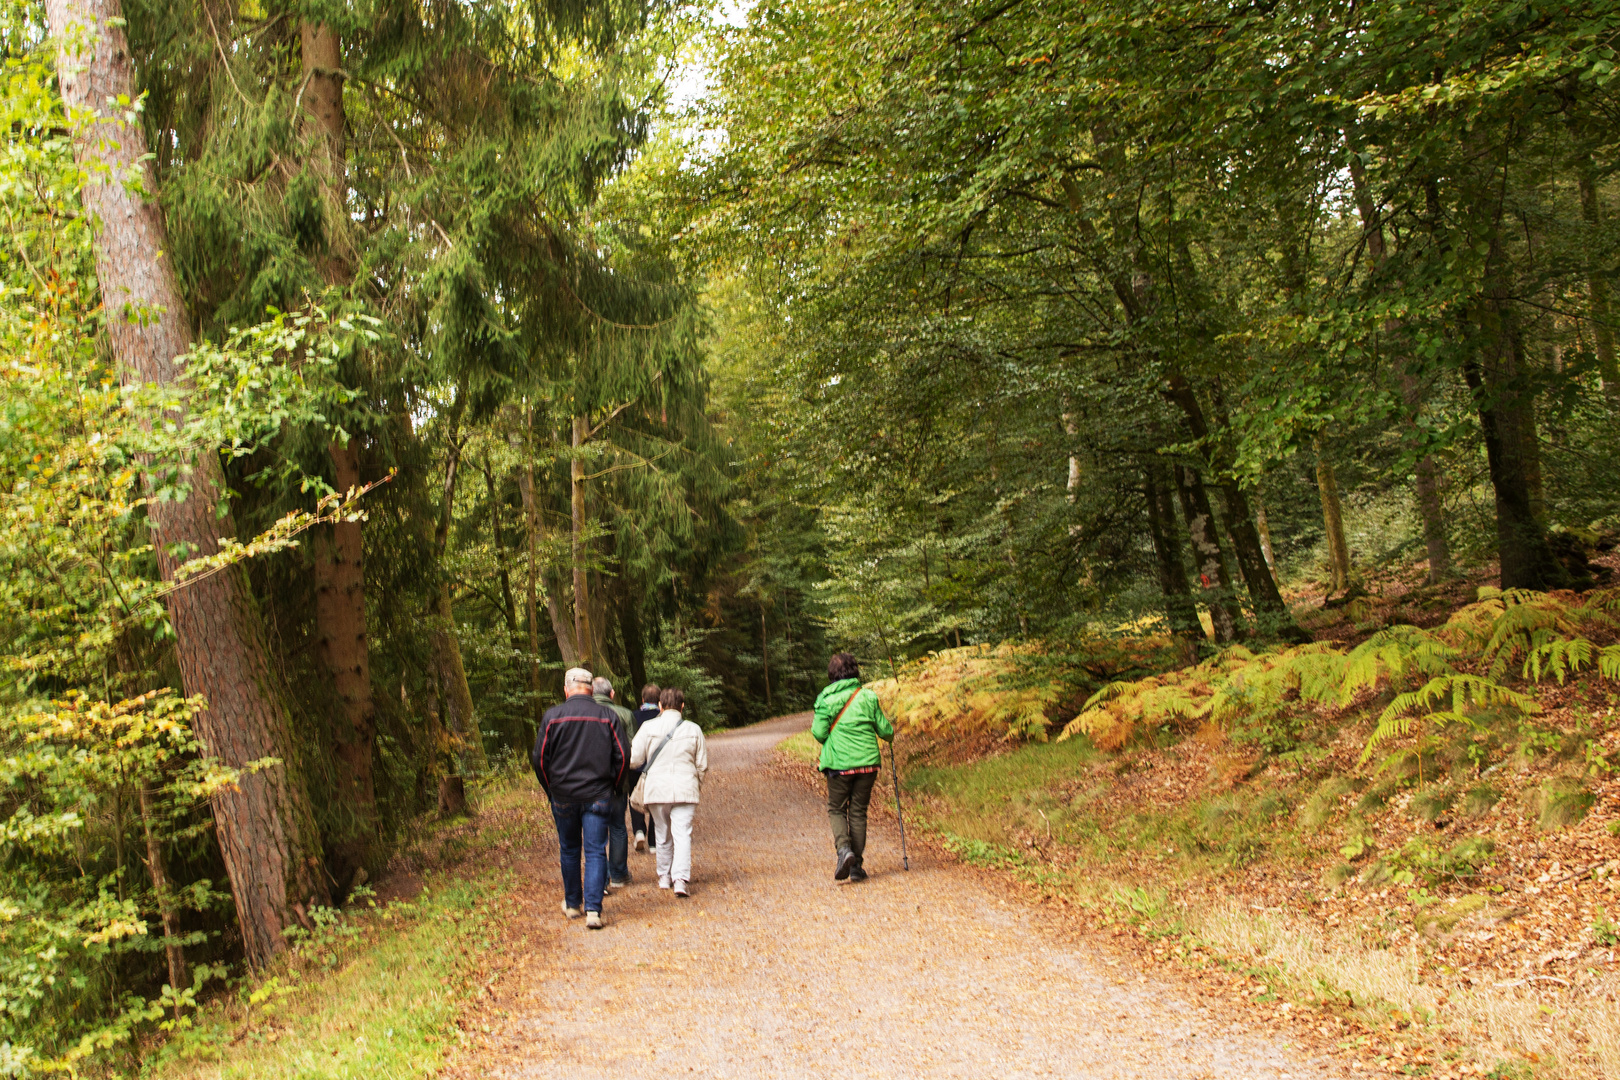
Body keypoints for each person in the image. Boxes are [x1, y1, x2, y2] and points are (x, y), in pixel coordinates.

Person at [532, 667, 627, 929]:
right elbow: (622, 756)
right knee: (596, 849)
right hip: (598, 794)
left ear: (566, 689)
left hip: (563, 794)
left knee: (570, 848)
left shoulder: (553, 717)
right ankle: (594, 910)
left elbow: (539, 759)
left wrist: (551, 788)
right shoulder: (607, 715)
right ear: (590, 688)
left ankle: (573, 904)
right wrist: (615, 786)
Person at [811, 652, 895, 882]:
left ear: (832, 674)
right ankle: (856, 866)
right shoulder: (867, 697)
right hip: (868, 764)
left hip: (839, 765)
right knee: (858, 811)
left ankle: (844, 850)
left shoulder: (825, 699)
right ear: (855, 672)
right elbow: (886, 731)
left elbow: (818, 733)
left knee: (836, 808)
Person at [629, 687, 707, 897]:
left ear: (661, 706)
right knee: (683, 835)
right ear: (682, 706)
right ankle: (680, 879)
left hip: (657, 789)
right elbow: (702, 764)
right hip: (685, 788)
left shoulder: (647, 727)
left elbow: (634, 759)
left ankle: (664, 876)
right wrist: (695, 784)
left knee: (662, 834)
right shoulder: (694, 729)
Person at [592, 675, 636, 890]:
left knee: (596, 828)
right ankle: (618, 874)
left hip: (592, 782)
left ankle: (603, 877)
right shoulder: (626, 714)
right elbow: (631, 749)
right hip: (619, 780)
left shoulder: (587, 715)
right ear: (612, 694)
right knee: (618, 826)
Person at [630, 683, 662, 852]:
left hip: (635, 766)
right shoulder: (663, 717)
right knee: (656, 801)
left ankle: (639, 831)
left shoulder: (633, 716)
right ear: (659, 700)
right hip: (656, 767)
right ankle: (653, 842)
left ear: (642, 699)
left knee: (635, 798)